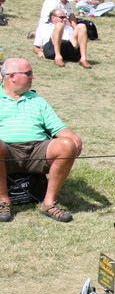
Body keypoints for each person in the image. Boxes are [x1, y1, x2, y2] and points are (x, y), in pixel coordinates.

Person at [0, 58, 82, 222]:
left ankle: (49, 204)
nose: (33, 77)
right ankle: (3, 202)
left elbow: (57, 128)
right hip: (5, 151)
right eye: (29, 73)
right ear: (12, 76)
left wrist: (73, 137)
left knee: (66, 144)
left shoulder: (37, 100)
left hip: (37, 151)